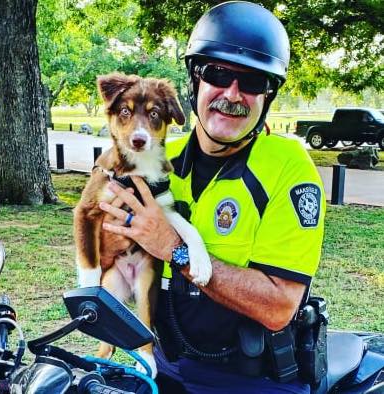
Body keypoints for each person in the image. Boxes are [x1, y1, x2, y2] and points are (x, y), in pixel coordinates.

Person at [99, 2, 326, 393]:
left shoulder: (288, 167)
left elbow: (278, 306)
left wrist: (174, 249)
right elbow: (108, 248)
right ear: (195, 81)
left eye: (253, 82)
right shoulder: (158, 158)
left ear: (268, 95)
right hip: (167, 369)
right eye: (218, 74)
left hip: (257, 383)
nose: (232, 94)